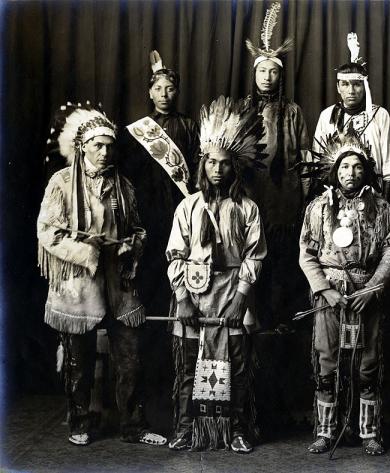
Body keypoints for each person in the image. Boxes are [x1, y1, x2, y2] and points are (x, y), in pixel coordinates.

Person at [37, 103, 167, 447]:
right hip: (78, 285)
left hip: (119, 284)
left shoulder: (123, 186)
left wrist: (131, 247)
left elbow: (138, 229)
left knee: (131, 359)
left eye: (110, 145)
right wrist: (86, 252)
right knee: (79, 362)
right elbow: (47, 232)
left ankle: (134, 426)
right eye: (98, 145)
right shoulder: (62, 183)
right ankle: (80, 422)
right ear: (83, 147)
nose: (105, 151)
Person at [166, 96, 267, 454]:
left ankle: (237, 428)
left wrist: (241, 297)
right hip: (194, 293)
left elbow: (255, 255)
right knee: (190, 369)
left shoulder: (247, 208)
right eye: (211, 162)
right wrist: (182, 299)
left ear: (235, 168)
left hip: (233, 293)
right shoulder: (188, 207)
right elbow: (175, 255)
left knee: (236, 368)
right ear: (203, 165)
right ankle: (186, 428)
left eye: (225, 164)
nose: (218, 170)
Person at [299, 127, 390, 456]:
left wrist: (372, 289)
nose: (350, 173)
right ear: (334, 170)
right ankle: (325, 432)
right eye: (344, 167)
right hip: (330, 293)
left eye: (357, 166)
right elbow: (307, 253)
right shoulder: (318, 207)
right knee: (327, 360)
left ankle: (369, 432)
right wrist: (325, 291)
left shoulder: (381, 208)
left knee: (367, 362)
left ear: (366, 170)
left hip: (364, 291)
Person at [121, 51, 201, 419]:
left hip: (183, 215)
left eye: (171, 88)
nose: (166, 94)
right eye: (159, 88)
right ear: (150, 93)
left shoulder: (189, 125)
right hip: (151, 219)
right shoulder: (139, 131)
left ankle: (185, 380)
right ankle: (151, 387)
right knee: (154, 294)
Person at [244, 1, 311, 330]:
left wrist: (304, 195)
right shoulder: (243, 110)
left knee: (283, 258)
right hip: (251, 194)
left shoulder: (293, 112)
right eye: (262, 71)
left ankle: (281, 319)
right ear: (254, 74)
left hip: (284, 196)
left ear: (280, 76)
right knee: (254, 256)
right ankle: (253, 317)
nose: (267, 77)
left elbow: (304, 157)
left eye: (273, 72)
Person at [313, 33, 390, 199]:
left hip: (373, 193)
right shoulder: (327, 116)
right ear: (338, 87)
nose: (351, 91)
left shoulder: (379, 115)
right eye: (345, 84)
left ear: (364, 86)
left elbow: (388, 161)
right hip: (335, 193)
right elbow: (318, 159)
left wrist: (385, 200)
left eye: (357, 84)